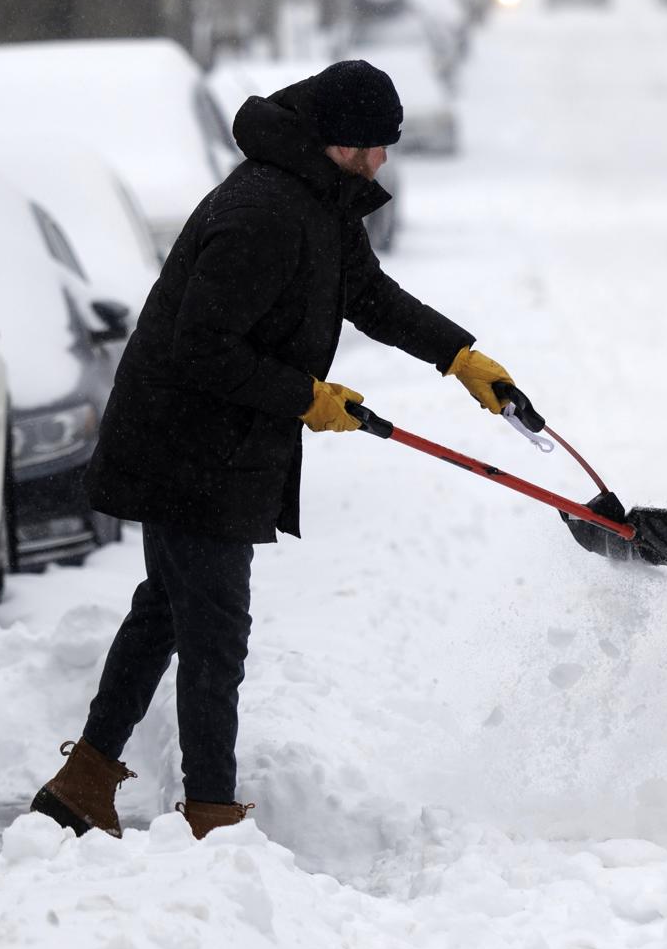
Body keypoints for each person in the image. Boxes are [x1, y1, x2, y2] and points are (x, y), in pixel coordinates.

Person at [29, 59, 516, 841]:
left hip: (211, 443)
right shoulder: (262, 211)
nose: (384, 160)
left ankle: (83, 782)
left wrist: (459, 358)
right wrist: (308, 398)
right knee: (215, 632)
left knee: (167, 613)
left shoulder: (319, 201)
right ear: (337, 141)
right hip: (187, 445)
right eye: (374, 145)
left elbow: (370, 295)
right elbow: (202, 348)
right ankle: (210, 822)